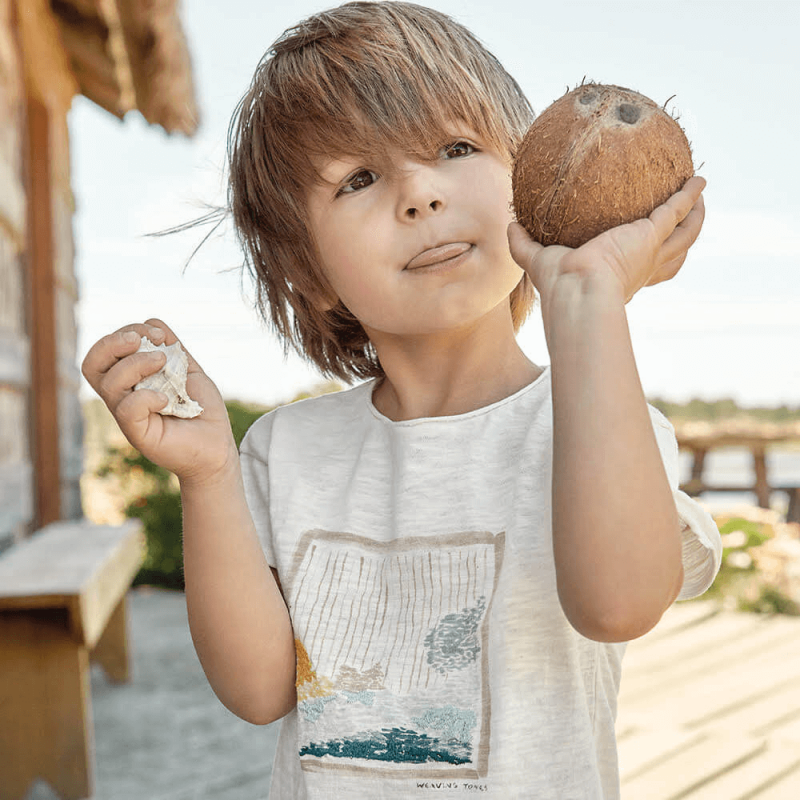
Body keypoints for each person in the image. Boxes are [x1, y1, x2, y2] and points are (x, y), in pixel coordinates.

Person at [82, 2, 722, 797]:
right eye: (358, 178)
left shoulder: (600, 423)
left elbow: (619, 605)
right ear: (307, 273)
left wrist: (590, 298)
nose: (419, 194)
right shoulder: (287, 451)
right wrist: (207, 474)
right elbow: (259, 692)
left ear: (526, 179)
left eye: (455, 148)